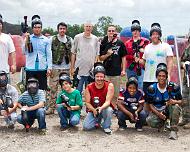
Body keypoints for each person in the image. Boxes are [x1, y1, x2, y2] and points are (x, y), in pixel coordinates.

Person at [146, 63, 182, 140]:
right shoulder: (152, 88)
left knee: (175, 107)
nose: (161, 78)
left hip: (170, 110)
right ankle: (164, 124)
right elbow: (150, 105)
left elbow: (182, 101)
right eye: (159, 76)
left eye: (163, 76)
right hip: (158, 111)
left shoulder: (173, 87)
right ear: (156, 77)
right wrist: (159, 114)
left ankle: (173, 131)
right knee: (149, 121)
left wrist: (174, 101)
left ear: (166, 77)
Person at [137, 23, 173, 93]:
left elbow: (170, 61)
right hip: (147, 79)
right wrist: (138, 60)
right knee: (147, 100)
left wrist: (168, 74)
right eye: (153, 34)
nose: (155, 36)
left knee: (160, 100)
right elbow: (144, 62)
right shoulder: (147, 47)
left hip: (161, 79)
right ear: (150, 36)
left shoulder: (166, 46)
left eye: (157, 34)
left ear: (160, 35)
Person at [46, 22, 72, 115]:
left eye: (64, 29)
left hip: (66, 68)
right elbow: (48, 54)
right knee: (53, 89)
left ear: (66, 30)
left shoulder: (69, 39)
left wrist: (72, 67)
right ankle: (51, 108)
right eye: (60, 28)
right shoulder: (52, 39)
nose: (62, 30)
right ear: (58, 29)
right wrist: (49, 67)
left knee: (65, 89)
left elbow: (72, 54)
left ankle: (64, 107)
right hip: (55, 67)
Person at [99, 25, 127, 112]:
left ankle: (114, 107)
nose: (111, 33)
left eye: (113, 31)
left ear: (115, 32)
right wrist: (107, 54)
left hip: (117, 72)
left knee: (115, 92)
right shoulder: (103, 43)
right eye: (109, 31)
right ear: (107, 32)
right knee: (105, 91)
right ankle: (105, 107)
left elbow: (123, 57)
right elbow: (100, 58)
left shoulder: (120, 43)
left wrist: (123, 70)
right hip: (106, 72)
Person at [23, 15, 52, 90]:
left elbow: (49, 54)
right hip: (30, 67)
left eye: (39, 27)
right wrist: (26, 40)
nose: (37, 29)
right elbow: (24, 52)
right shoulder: (28, 38)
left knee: (42, 89)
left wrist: (49, 67)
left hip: (42, 67)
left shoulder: (46, 40)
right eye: (35, 27)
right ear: (32, 28)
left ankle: (42, 101)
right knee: (30, 88)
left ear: (41, 28)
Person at [83, 65, 114, 134]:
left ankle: (106, 126)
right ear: (94, 77)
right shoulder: (89, 87)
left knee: (109, 110)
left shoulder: (109, 85)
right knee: (86, 127)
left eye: (101, 76)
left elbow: (108, 102)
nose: (99, 78)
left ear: (104, 77)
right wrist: (94, 110)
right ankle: (98, 120)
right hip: (93, 109)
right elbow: (87, 103)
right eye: (97, 76)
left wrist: (101, 108)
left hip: (104, 108)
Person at [70, 22, 99, 93]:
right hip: (79, 69)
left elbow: (97, 55)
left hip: (90, 70)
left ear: (92, 28)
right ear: (84, 27)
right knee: (77, 91)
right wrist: (72, 68)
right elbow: (73, 53)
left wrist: (94, 68)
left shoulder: (95, 39)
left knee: (90, 92)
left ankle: (88, 104)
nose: (88, 28)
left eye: (90, 26)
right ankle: (78, 104)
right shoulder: (77, 37)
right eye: (87, 26)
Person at [125, 20, 149, 90]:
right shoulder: (127, 43)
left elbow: (149, 54)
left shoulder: (145, 42)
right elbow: (125, 56)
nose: (135, 32)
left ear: (140, 31)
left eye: (137, 30)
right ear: (131, 32)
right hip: (131, 67)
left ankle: (140, 99)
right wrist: (133, 57)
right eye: (133, 30)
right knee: (131, 84)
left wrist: (142, 53)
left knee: (141, 84)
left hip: (141, 66)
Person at [178, 36, 190, 129]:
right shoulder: (187, 49)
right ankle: (185, 119)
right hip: (186, 80)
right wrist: (183, 65)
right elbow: (181, 61)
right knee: (185, 99)